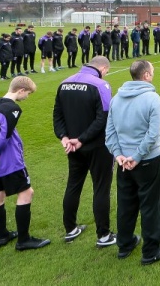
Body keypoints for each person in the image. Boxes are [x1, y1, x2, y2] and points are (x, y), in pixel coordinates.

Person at [105, 60, 160, 264]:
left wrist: (118, 154)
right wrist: (135, 157)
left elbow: (110, 132)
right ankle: (151, 251)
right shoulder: (152, 99)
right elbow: (153, 134)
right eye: (152, 71)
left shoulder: (116, 98)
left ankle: (125, 244)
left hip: (124, 162)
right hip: (146, 160)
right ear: (146, 75)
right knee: (151, 204)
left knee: (126, 203)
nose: (153, 74)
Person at [0, 76, 51, 250]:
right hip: (10, 160)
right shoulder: (12, 108)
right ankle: (24, 240)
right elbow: (4, 137)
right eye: (29, 94)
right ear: (21, 91)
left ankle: (2, 236)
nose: (28, 97)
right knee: (27, 193)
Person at [53, 56, 116, 248]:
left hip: (72, 146)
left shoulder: (64, 83)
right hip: (96, 146)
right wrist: (82, 139)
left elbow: (57, 114)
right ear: (103, 68)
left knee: (73, 185)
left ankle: (70, 229)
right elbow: (103, 118)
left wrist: (64, 137)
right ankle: (103, 235)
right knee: (101, 188)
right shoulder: (101, 85)